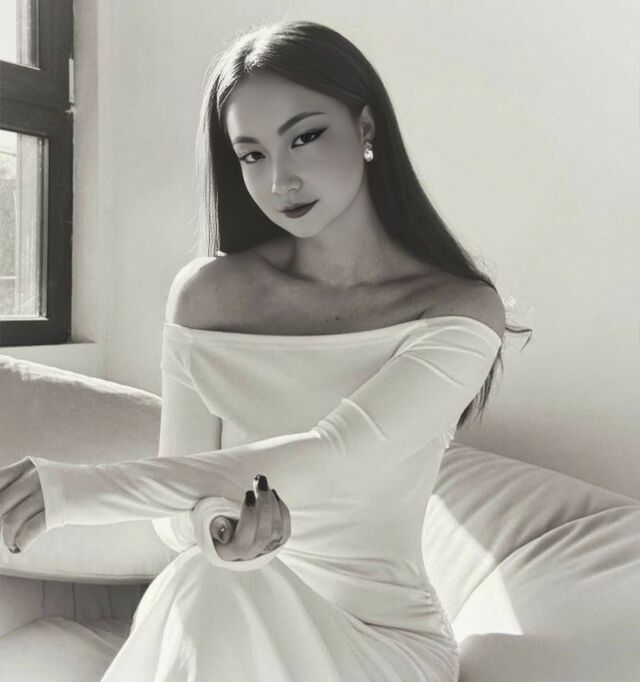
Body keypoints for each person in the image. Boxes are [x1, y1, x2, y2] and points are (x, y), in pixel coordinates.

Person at [0, 19, 531, 681]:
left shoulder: (457, 309)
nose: (281, 179)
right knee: (211, 580)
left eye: (304, 138)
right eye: (252, 155)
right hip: (232, 607)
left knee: (213, 593)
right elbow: (175, 523)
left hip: (379, 641)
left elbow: (332, 458)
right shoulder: (208, 296)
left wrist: (74, 491)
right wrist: (222, 534)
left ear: (365, 128)